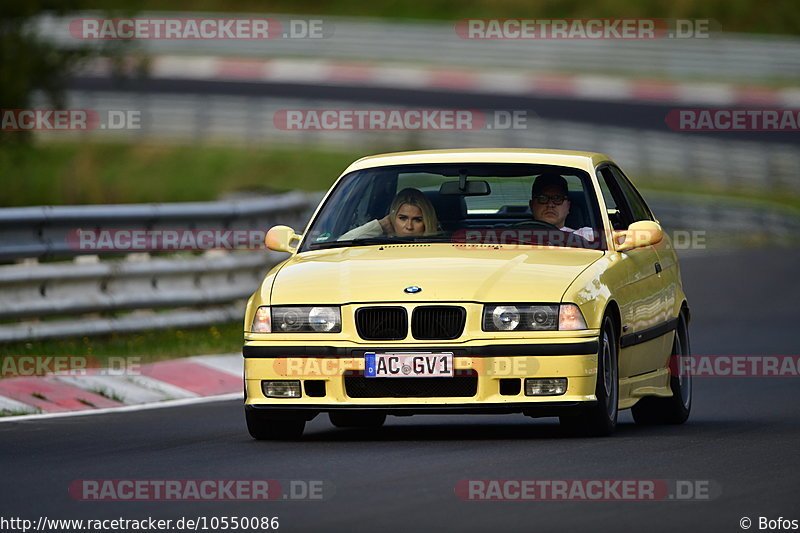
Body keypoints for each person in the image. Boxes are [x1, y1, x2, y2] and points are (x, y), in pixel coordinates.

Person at [339, 187, 440, 240]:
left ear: (427, 221)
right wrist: (380, 225)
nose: (409, 226)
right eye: (403, 218)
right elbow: (343, 243)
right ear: (392, 218)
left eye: (417, 219)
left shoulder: (441, 246)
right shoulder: (377, 246)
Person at [528, 173, 595, 242]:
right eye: (543, 198)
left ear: (568, 206)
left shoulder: (586, 235)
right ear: (531, 205)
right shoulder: (517, 236)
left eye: (557, 199)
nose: (550, 205)